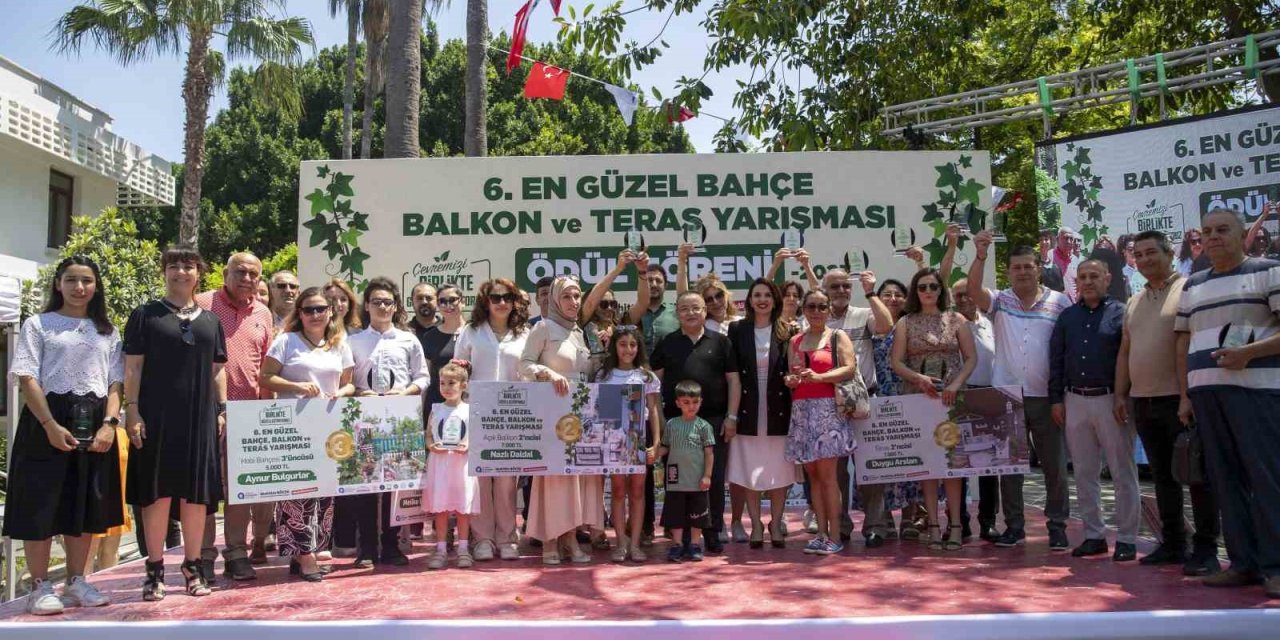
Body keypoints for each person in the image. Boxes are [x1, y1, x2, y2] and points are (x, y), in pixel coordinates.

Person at [5, 256, 124, 614]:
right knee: (40, 503)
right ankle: (39, 586)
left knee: (84, 502)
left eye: (87, 280)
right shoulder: (38, 325)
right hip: (47, 421)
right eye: (71, 279)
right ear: (58, 283)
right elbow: (27, 377)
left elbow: (116, 382)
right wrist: (49, 426)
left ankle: (76, 580)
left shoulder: (108, 330)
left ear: (96, 286)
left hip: (95, 421)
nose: (79, 287)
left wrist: (110, 424)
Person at [1174, 207, 1280, 598]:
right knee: (1225, 482)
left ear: (1242, 234)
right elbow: (1182, 340)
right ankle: (1242, 563)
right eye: (1207, 231)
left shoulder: (1269, 270)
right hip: (1206, 395)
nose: (1213, 236)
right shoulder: (1193, 284)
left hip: (1258, 393)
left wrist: (1249, 354)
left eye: (1222, 230)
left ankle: (1275, 566)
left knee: (1267, 478)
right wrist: (1185, 394)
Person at [124, 247, 228, 600]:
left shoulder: (211, 321)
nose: (180, 272)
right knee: (157, 493)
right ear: (164, 272)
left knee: (196, 496)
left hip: (199, 417)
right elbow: (133, 367)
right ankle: (154, 571)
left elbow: (218, 369)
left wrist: (222, 409)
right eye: (173, 266)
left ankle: (193, 566)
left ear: (199, 273)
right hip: (154, 417)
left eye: (188, 266)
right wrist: (132, 410)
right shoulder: (145, 315)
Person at [1114, 230, 1221, 576]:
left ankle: (1206, 548)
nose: (1144, 260)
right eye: (1139, 254)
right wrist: (1120, 393)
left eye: (1151, 253)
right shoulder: (1134, 300)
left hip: (1181, 400)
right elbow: (1125, 350)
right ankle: (1174, 543)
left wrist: (1187, 396)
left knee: (1198, 477)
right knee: (1162, 477)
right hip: (1143, 401)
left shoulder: (1190, 288)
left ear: (1169, 253)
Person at [968, 230, 1073, 550]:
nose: (1023, 271)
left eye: (1028, 266)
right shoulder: (999, 300)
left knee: (1054, 466)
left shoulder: (1059, 302)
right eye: (1017, 267)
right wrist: (981, 254)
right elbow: (972, 290)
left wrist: (1062, 394)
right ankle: (1014, 526)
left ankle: (1057, 525)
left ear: (1038, 268)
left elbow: (1065, 350)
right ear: (1009, 271)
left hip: (1046, 396)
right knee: (1009, 468)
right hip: (1007, 394)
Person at [259, 287, 355, 581]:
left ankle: (310, 549)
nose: (315, 315)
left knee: (323, 494)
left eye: (320, 309)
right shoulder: (286, 341)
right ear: (299, 314)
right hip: (294, 429)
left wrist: (339, 392)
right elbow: (265, 377)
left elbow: (350, 384)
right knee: (295, 494)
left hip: (328, 428)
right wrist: (298, 387)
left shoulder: (339, 344)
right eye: (308, 310)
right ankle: (304, 555)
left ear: (330, 312)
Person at [1049, 260, 1139, 562]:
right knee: (1085, 473)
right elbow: (1057, 359)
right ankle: (1094, 535)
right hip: (1074, 400)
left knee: (1121, 471)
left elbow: (1130, 359)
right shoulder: (1067, 317)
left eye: (1094, 276)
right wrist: (1056, 399)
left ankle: (1127, 538)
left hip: (1112, 401)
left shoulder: (1123, 313)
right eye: (1082, 277)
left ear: (1107, 278)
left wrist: (1123, 396)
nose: (1088, 282)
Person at [194, 253, 275, 580]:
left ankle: (236, 552)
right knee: (204, 489)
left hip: (249, 415)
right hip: (205, 413)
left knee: (240, 490)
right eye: (239, 272)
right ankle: (202, 555)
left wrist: (267, 412)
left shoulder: (263, 313)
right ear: (224, 272)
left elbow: (266, 365)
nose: (246, 278)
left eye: (253, 274)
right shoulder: (201, 303)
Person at [891, 269, 977, 550]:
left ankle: (955, 526)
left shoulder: (957, 320)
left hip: (950, 401)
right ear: (915, 291)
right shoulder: (906, 322)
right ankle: (933, 524)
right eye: (922, 287)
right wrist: (918, 378)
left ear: (941, 290)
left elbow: (971, 358)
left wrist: (956, 385)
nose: (928, 291)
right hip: (918, 399)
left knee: (952, 465)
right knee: (927, 464)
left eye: (933, 286)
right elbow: (897, 362)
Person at [650, 291, 742, 554]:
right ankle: (682, 537)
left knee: (710, 480)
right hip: (676, 426)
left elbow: (734, 381)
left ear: (705, 312)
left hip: (713, 423)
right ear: (677, 313)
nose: (691, 313)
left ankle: (712, 532)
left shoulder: (722, 342)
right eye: (684, 309)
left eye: (696, 308)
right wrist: (662, 422)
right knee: (679, 484)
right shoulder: (666, 343)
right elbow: (653, 388)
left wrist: (732, 417)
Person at [519, 276, 602, 565]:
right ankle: (549, 541)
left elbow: (588, 371)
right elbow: (524, 364)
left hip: (579, 411)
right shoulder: (542, 327)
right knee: (552, 479)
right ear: (554, 299)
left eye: (577, 296)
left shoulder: (580, 332)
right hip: (552, 409)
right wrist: (548, 374)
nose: (574, 302)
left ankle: (569, 539)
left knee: (573, 478)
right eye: (567, 296)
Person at [347, 278, 429, 567]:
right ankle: (367, 548)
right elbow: (345, 381)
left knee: (397, 486)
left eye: (388, 302)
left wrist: (405, 392)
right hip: (364, 422)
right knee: (365, 486)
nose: (382, 307)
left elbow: (423, 377)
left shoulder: (409, 339)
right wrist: (360, 392)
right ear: (367, 306)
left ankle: (393, 546)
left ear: (396, 307)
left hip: (399, 420)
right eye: (376, 302)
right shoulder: (353, 341)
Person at [455, 277, 530, 561]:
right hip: (477, 413)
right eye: (496, 297)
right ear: (485, 302)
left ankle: (507, 537)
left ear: (515, 302)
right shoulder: (471, 331)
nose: (501, 303)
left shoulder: (525, 332)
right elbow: (458, 371)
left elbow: (532, 370)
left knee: (508, 480)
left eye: (507, 298)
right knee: (482, 479)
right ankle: (483, 538)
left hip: (514, 416)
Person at [784, 289, 859, 555]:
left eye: (821, 306)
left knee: (828, 478)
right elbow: (791, 375)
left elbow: (849, 368)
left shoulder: (838, 336)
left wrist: (819, 377)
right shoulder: (795, 341)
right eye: (811, 306)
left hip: (829, 411)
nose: (816, 311)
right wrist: (791, 380)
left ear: (828, 310)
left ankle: (836, 536)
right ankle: (822, 534)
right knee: (813, 478)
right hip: (802, 411)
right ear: (803, 309)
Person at [727, 279, 799, 549]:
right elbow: (732, 373)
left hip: (778, 408)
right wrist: (731, 415)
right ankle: (756, 524)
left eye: (767, 294)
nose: (762, 299)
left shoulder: (787, 329)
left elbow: (793, 366)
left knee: (779, 471)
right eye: (757, 294)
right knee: (750, 472)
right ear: (749, 300)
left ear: (775, 300)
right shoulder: (737, 329)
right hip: (747, 407)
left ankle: (776, 522)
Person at [821, 268, 891, 545]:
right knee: (835, 472)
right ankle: (841, 526)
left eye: (845, 287)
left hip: (864, 400)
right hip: (828, 404)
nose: (841, 291)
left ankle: (875, 526)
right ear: (825, 291)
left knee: (871, 468)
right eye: (834, 287)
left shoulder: (863, 314)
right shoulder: (816, 316)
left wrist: (871, 292)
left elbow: (886, 326)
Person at [593, 325, 663, 561]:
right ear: (614, 346)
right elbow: (603, 414)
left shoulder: (646, 376)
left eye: (633, 345)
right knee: (619, 491)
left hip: (638, 440)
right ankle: (620, 543)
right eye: (623, 344)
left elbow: (653, 411)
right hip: (613, 440)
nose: (628, 349)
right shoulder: (605, 375)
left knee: (638, 491)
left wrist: (655, 443)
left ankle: (635, 544)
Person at [867, 278, 923, 542]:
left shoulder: (913, 324)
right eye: (886, 294)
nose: (892, 299)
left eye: (898, 294)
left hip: (911, 397)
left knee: (913, 461)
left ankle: (910, 518)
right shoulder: (873, 325)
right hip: (881, 400)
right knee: (885, 463)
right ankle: (887, 517)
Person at [951, 278, 999, 542]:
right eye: (958, 295)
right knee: (958, 465)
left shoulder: (992, 321)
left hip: (990, 395)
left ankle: (988, 521)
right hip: (958, 396)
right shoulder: (949, 325)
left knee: (990, 465)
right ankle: (960, 522)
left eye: (967, 294)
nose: (964, 299)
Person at [423, 361, 480, 570]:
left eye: (451, 383)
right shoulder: (435, 409)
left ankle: (463, 548)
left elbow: (476, 437)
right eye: (442, 383)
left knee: (463, 507)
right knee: (441, 508)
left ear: (463, 385)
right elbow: (429, 436)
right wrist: (432, 447)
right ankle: (440, 549)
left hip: (461, 465)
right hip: (440, 465)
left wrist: (468, 446)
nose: (446, 388)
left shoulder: (469, 410)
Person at [324, 277, 364, 558]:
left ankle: (350, 537)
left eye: (342, 298)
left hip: (357, 414)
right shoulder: (314, 331)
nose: (337, 304)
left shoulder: (361, 332)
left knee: (353, 479)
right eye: (330, 299)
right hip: (321, 414)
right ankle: (323, 540)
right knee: (325, 480)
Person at [660, 380, 716, 563]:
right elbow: (665, 448)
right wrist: (651, 454)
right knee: (675, 514)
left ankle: (694, 545)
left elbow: (709, 453)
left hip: (697, 481)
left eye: (695, 402)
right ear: (677, 403)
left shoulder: (704, 426)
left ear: (700, 401)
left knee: (697, 515)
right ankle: (676, 545)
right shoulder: (671, 425)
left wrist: (707, 475)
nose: (691, 406)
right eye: (686, 402)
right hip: (676, 480)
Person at [580, 250, 637, 378]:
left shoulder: (621, 327)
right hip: (589, 384)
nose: (610, 308)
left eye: (613, 304)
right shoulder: (583, 326)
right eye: (604, 304)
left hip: (617, 382)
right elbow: (589, 303)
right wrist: (618, 269)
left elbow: (643, 303)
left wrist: (615, 340)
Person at [416, 283, 465, 407]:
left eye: (452, 300)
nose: (448, 305)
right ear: (438, 305)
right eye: (442, 301)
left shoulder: (475, 333)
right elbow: (425, 379)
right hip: (437, 406)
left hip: (469, 406)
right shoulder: (430, 337)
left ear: (462, 301)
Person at [1052, 227, 1082, 301]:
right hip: (1055, 307)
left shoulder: (1075, 260)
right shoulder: (1050, 257)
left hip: (1073, 308)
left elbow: (1079, 286)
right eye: (1065, 238)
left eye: (1071, 239)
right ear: (1057, 239)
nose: (1069, 241)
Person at [1039, 229, 1066, 293]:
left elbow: (1061, 291)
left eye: (1046, 239)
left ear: (1051, 242)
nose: (1043, 242)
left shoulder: (1056, 267)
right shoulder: (1033, 266)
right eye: (1040, 240)